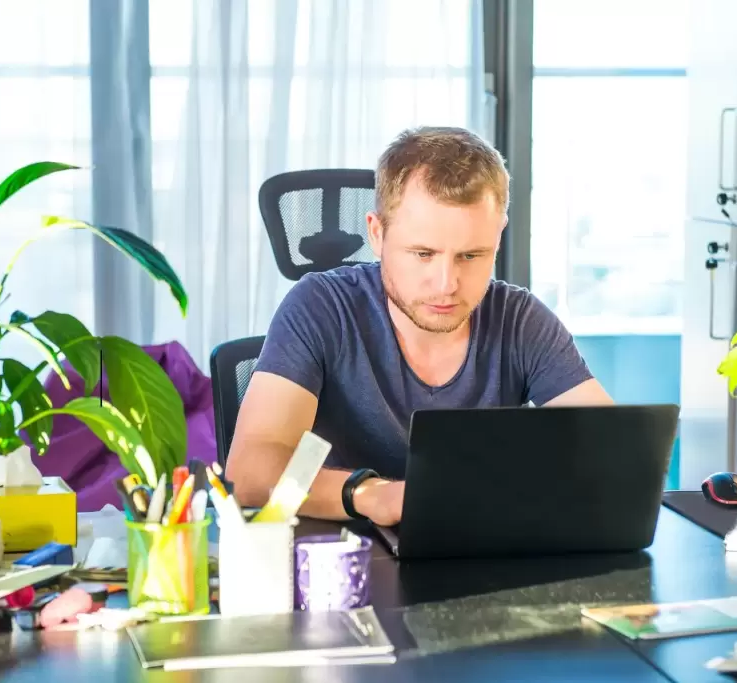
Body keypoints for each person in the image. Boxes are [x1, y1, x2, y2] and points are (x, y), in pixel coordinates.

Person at [225, 126, 612, 527]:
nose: (447, 284)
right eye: (423, 254)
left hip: (481, 555)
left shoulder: (520, 319)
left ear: (498, 236)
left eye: (471, 256)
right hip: (345, 557)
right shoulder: (320, 307)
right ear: (377, 234)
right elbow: (250, 473)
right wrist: (370, 495)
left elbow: (614, 451)